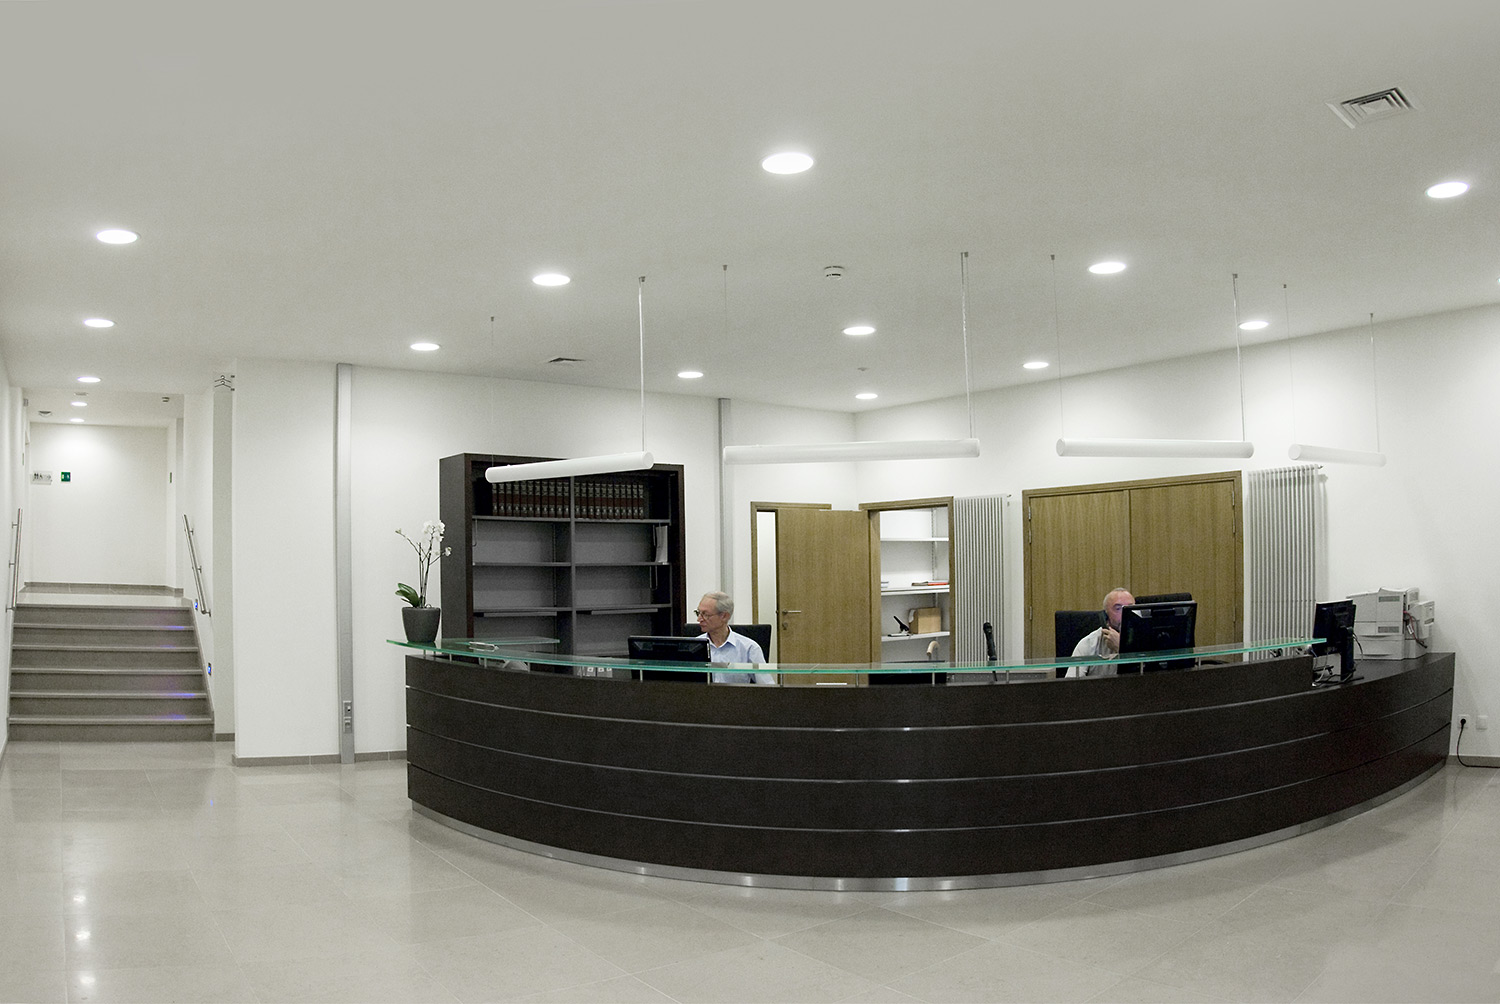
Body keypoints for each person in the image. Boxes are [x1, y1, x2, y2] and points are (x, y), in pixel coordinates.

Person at [694, 591, 776, 685]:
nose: (699, 619)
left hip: (736, 694)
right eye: (698, 613)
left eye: (705, 615)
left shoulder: (749, 648)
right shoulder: (694, 646)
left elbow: (767, 685)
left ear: (724, 616)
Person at [1065, 587, 1134, 678]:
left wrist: (1121, 648)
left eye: (1131, 608)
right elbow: (1071, 683)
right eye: (1118, 609)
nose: (1126, 614)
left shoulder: (1146, 640)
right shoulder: (1089, 643)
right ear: (1105, 615)